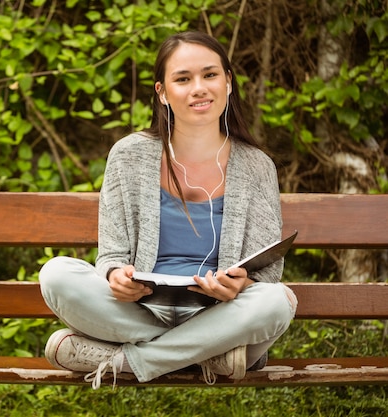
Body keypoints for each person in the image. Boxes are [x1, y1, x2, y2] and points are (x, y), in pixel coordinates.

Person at [39, 31, 297, 389]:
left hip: (219, 311)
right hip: (142, 307)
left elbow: (267, 271)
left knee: (277, 301)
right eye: (183, 79)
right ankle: (209, 354)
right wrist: (116, 275)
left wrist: (242, 284)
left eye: (210, 75)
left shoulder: (257, 166)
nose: (199, 88)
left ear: (228, 82)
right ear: (162, 92)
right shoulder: (129, 155)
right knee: (56, 274)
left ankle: (129, 361)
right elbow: (111, 254)